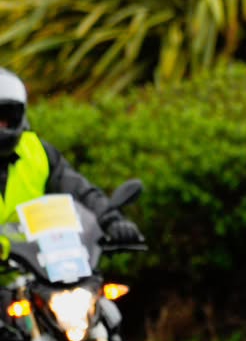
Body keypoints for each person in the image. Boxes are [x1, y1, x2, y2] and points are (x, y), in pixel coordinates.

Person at [0, 69, 143, 244]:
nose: (1, 126)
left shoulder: (38, 153)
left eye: (5, 117)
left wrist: (112, 221)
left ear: (19, 117)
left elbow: (79, 191)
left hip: (38, 268)